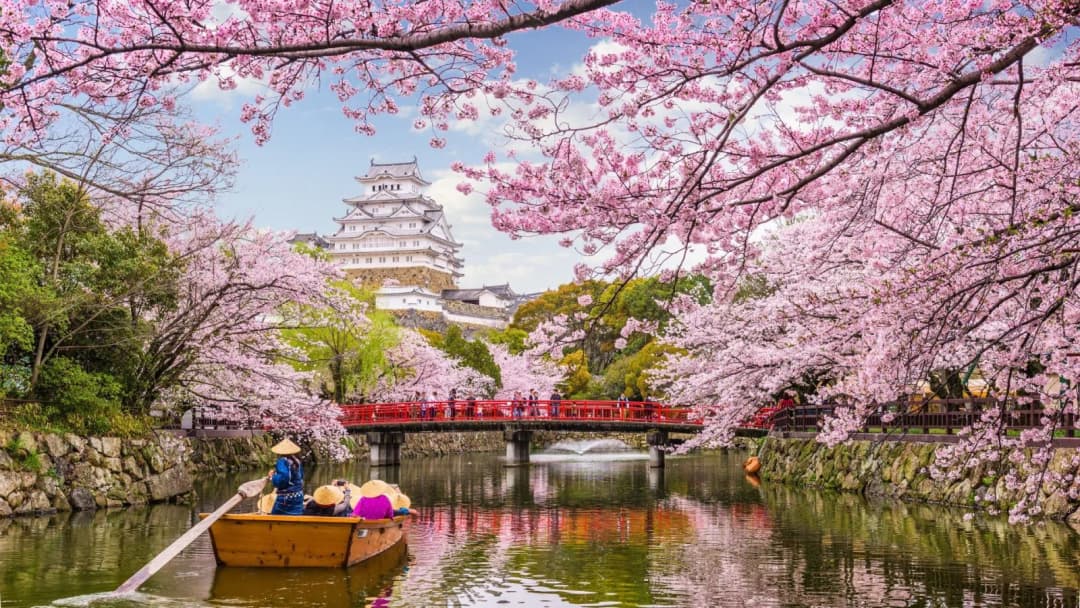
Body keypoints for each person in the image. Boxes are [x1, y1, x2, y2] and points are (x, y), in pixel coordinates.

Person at [267, 438, 304, 515]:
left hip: (286, 498)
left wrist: (272, 477)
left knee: (275, 516)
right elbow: (301, 477)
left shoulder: (282, 461)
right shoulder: (296, 460)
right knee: (296, 515)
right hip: (299, 495)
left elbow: (284, 477)